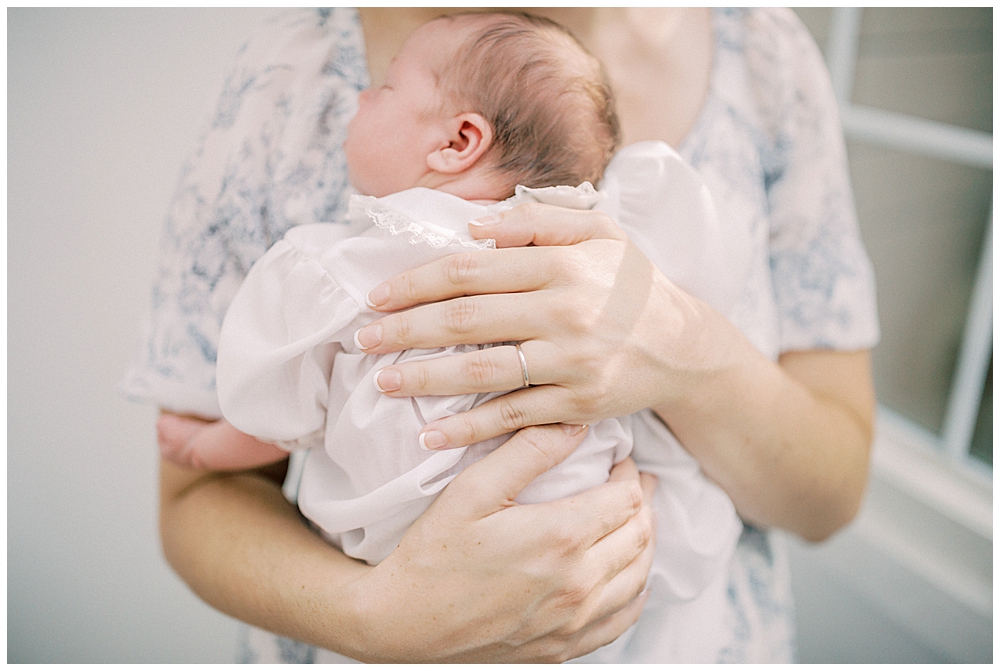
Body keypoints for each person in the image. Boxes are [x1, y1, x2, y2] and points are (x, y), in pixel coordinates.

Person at [126, 7, 878, 663]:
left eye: (383, 90)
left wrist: (685, 350)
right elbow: (202, 499)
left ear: (459, 141)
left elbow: (833, 494)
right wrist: (382, 617)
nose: (364, 95)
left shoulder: (766, 56)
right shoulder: (292, 72)